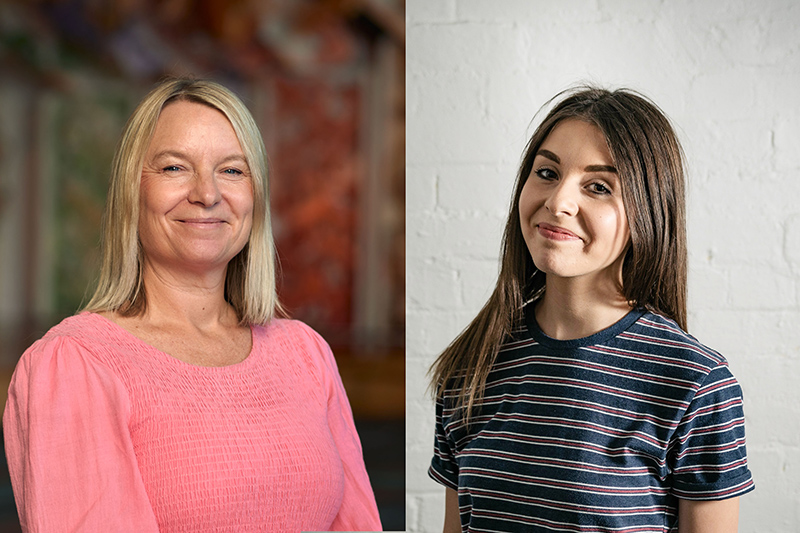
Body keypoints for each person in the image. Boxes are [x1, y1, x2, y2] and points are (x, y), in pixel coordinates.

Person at [3, 78, 382, 532]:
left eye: (232, 170)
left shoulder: (306, 354)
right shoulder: (76, 364)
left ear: (255, 196)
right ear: (132, 192)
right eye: (174, 168)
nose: (207, 193)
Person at [428, 86, 754, 532]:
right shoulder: (471, 367)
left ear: (649, 211)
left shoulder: (696, 383)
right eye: (546, 172)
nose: (558, 202)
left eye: (598, 187)